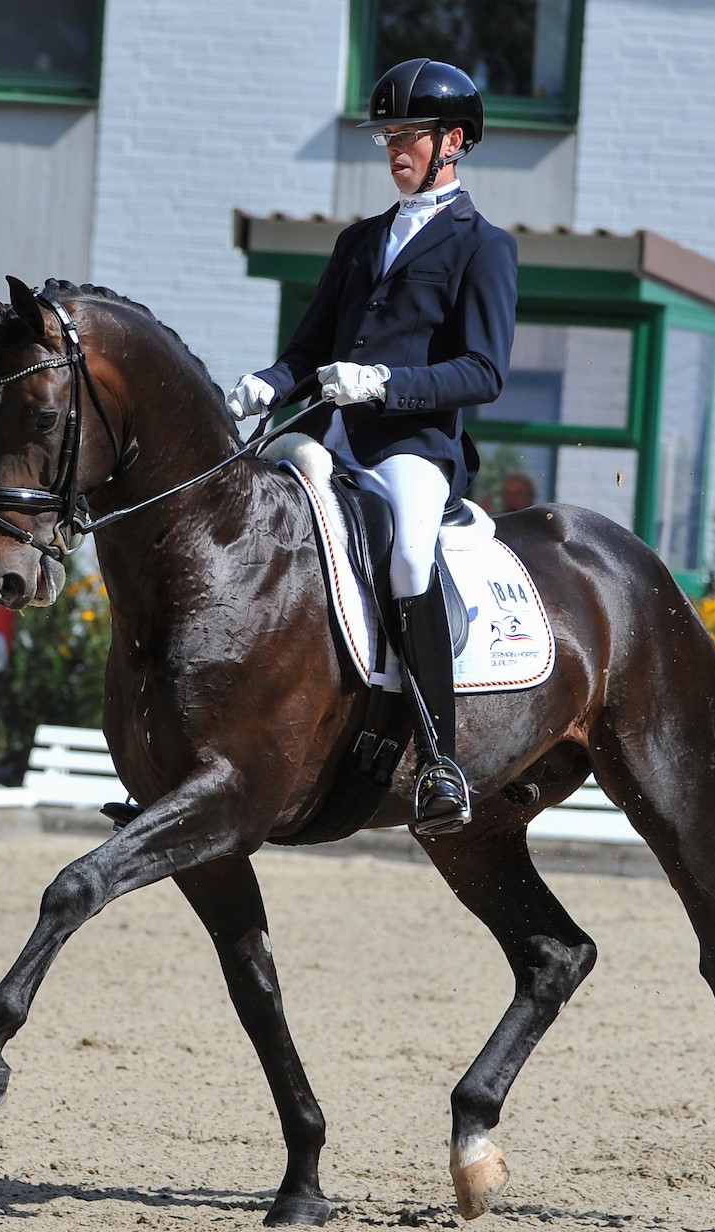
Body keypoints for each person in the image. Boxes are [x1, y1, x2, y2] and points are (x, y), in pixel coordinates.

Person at [224, 57, 517, 836]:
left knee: (411, 559)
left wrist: (384, 383)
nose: (396, 148)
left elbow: (483, 372)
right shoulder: (359, 241)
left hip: (409, 450)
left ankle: (440, 758)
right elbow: (308, 348)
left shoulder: (483, 246)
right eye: (389, 135)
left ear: (452, 141)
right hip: (325, 438)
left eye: (411, 135)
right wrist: (266, 382)